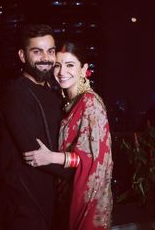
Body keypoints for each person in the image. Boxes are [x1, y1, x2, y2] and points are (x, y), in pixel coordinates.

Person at [24, 41, 113, 230]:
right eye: (58, 65)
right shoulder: (69, 103)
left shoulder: (90, 103)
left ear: (84, 69)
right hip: (66, 192)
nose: (62, 71)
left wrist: (50, 157)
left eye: (70, 65)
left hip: (85, 199)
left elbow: (91, 160)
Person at [0, 24, 72, 230]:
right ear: (22, 56)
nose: (46, 58)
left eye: (50, 51)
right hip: (25, 205)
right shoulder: (16, 94)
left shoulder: (55, 92)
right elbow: (35, 154)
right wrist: (84, 171)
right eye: (37, 51)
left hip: (51, 199)